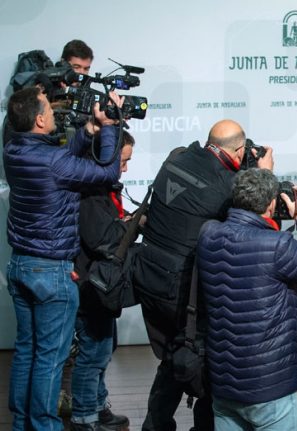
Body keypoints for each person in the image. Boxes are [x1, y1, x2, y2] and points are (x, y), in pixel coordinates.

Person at [133, 120, 273, 431]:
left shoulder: (177, 159)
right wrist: (263, 175)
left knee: (173, 355)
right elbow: (259, 217)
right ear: (239, 151)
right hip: (185, 292)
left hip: (149, 277)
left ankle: (155, 425)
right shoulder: (225, 187)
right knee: (209, 363)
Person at [4, 86, 122, 430]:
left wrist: (88, 132)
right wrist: (111, 126)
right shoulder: (53, 161)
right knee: (49, 360)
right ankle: (44, 425)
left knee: (27, 351)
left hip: (20, 265)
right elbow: (107, 173)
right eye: (50, 111)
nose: (56, 114)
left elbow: (60, 163)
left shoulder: (14, 149)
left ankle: (23, 423)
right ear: (40, 120)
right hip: (51, 271)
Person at [197, 168, 297, 430]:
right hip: (269, 384)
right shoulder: (276, 245)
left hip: (224, 380)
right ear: (272, 204)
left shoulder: (208, 234)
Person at [69, 132, 135, 430]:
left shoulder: (102, 188)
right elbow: (102, 239)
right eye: (122, 161)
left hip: (98, 283)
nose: (125, 169)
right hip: (89, 283)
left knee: (102, 349)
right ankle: (85, 417)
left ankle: (96, 407)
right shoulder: (91, 192)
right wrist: (133, 226)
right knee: (94, 352)